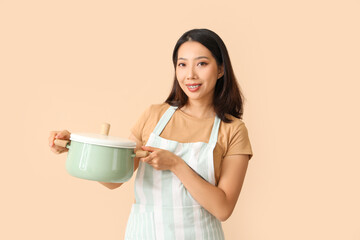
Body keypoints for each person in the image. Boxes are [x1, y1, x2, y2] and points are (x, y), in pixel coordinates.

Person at [49, 28, 253, 240]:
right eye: (182, 64)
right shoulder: (154, 116)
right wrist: (74, 148)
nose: (190, 74)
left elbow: (223, 208)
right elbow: (115, 179)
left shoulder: (233, 130)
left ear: (221, 69)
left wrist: (176, 164)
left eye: (201, 63)